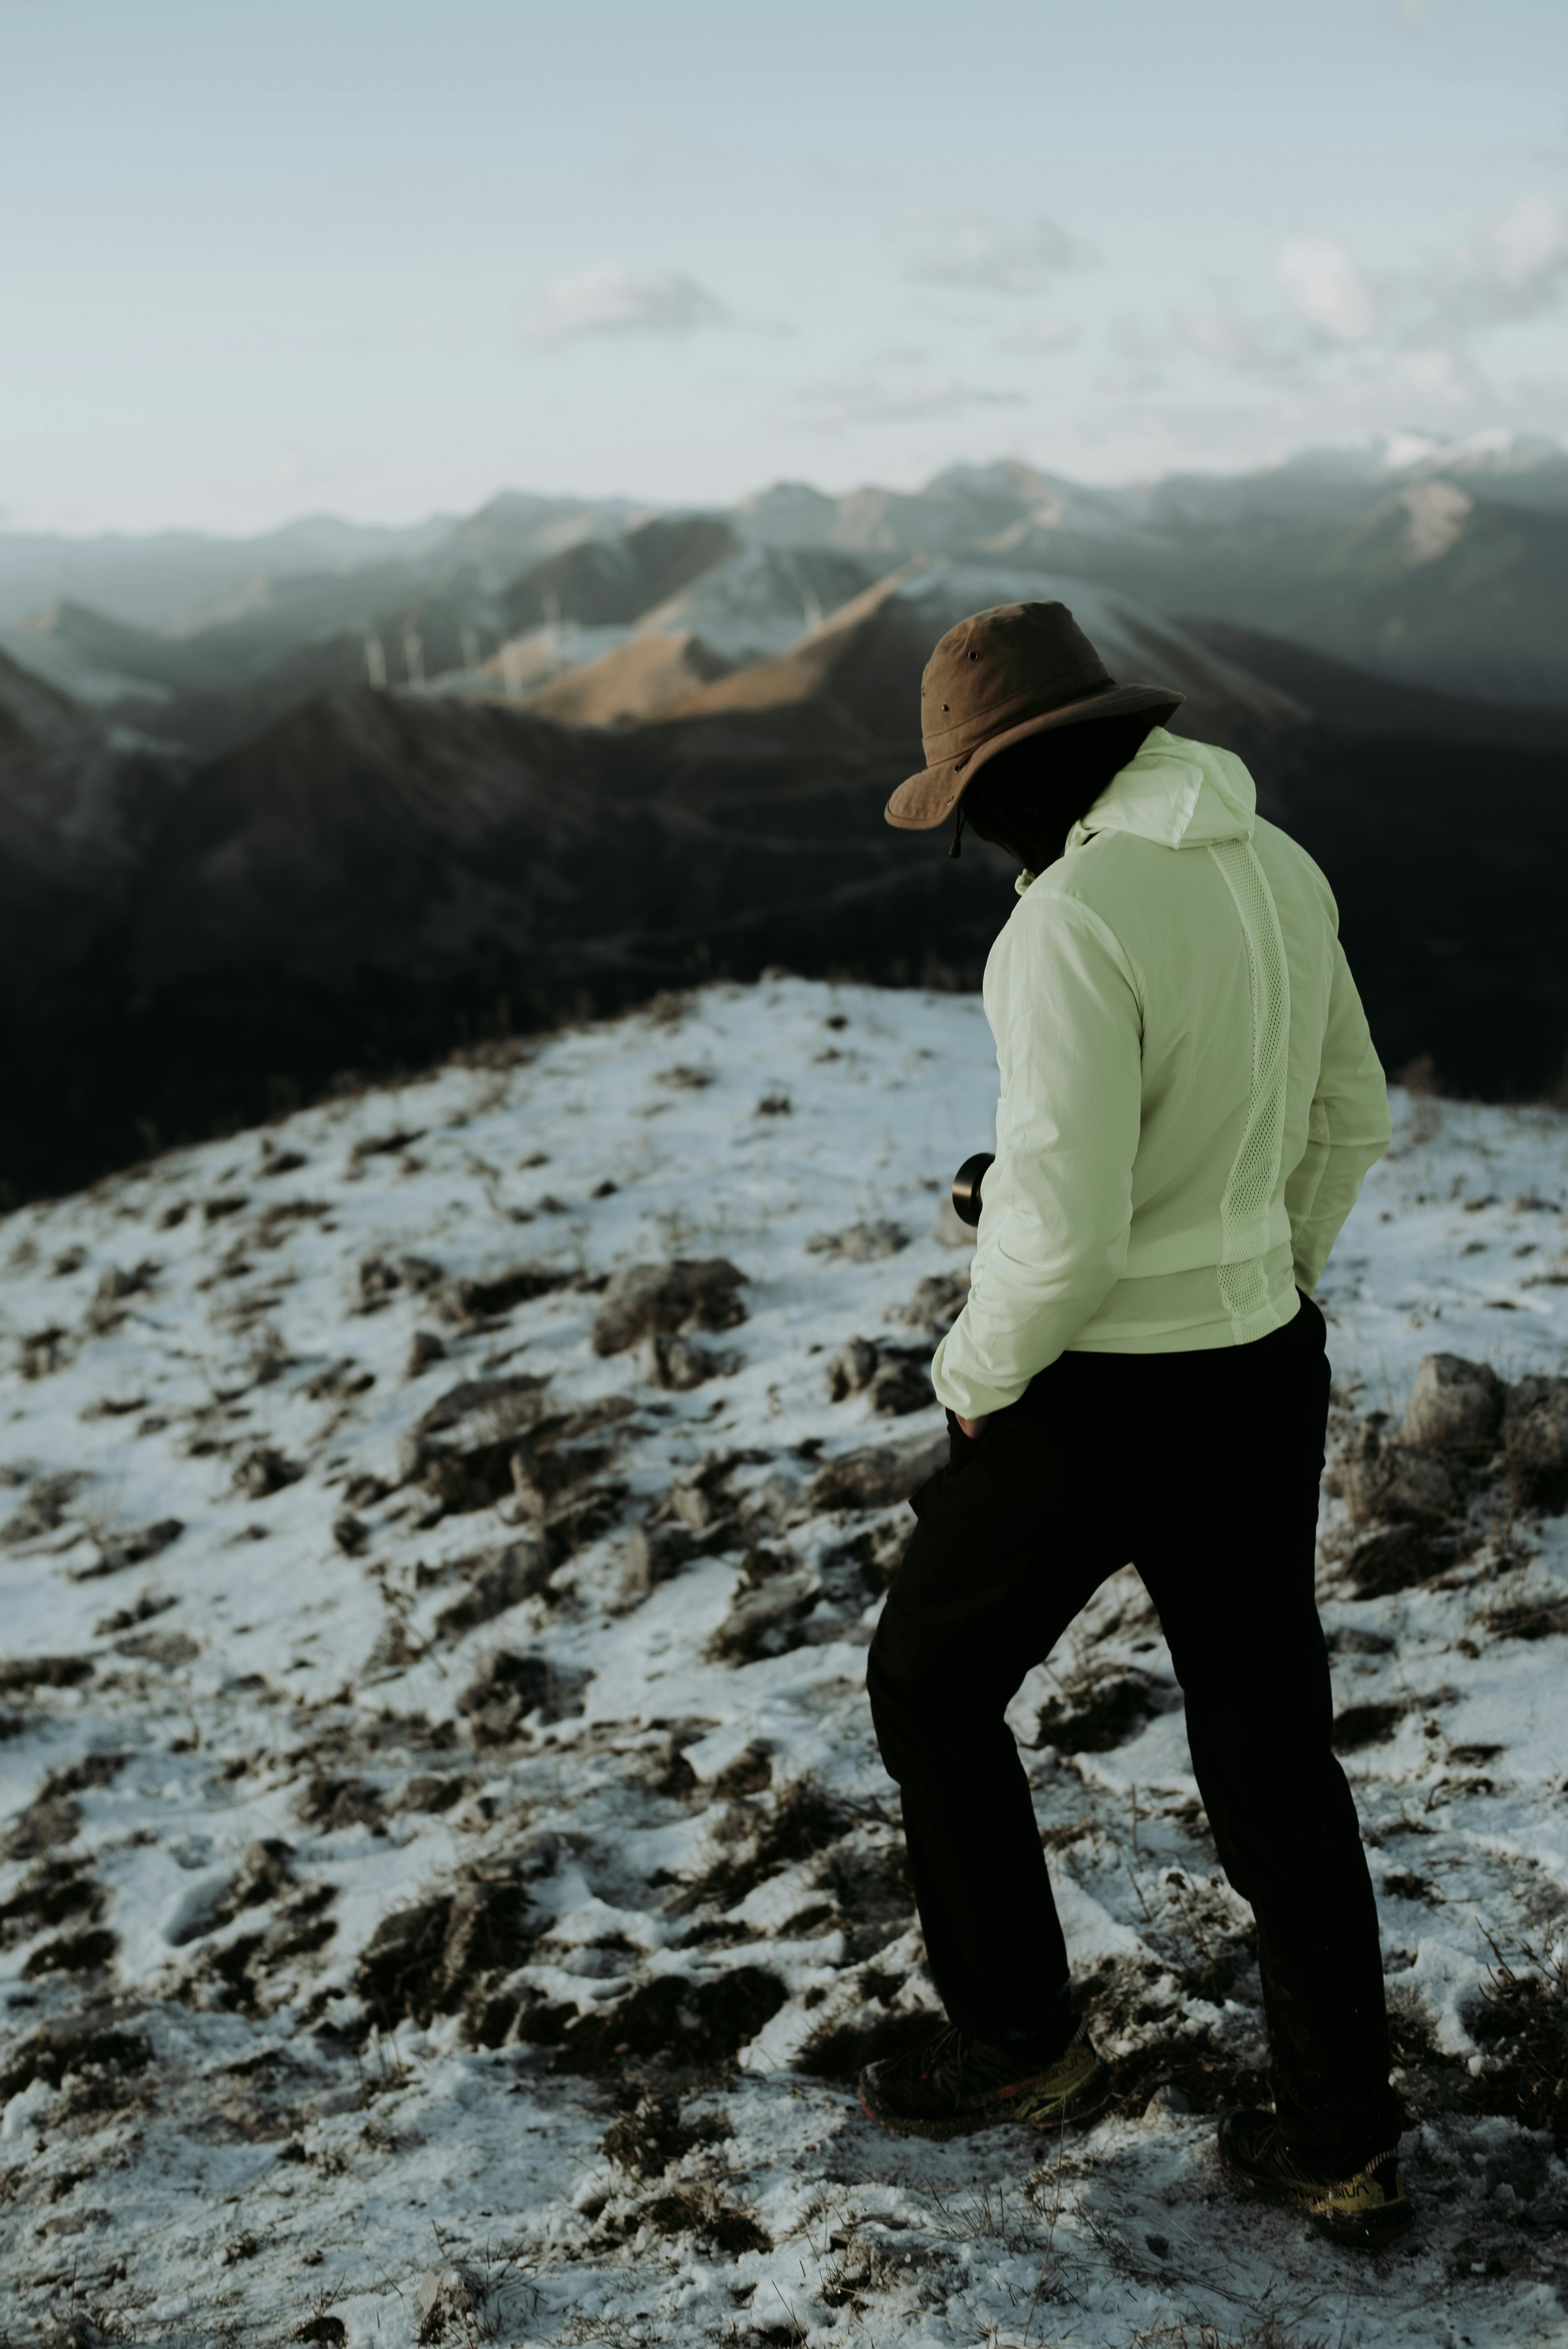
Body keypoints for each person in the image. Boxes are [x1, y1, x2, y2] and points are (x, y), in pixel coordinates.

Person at [860, 600, 1409, 2252]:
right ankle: (1342, 2144)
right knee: (1269, 1758)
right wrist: (1266, 1281)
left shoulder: (1067, 923)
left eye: (969, 807)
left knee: (930, 1682)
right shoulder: (1276, 863)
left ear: (1016, 778)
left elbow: (1069, 1234)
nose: (975, 842)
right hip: (1261, 1365)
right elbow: (1349, 1118)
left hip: (1101, 1389)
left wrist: (970, 1379)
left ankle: (1023, 2041)